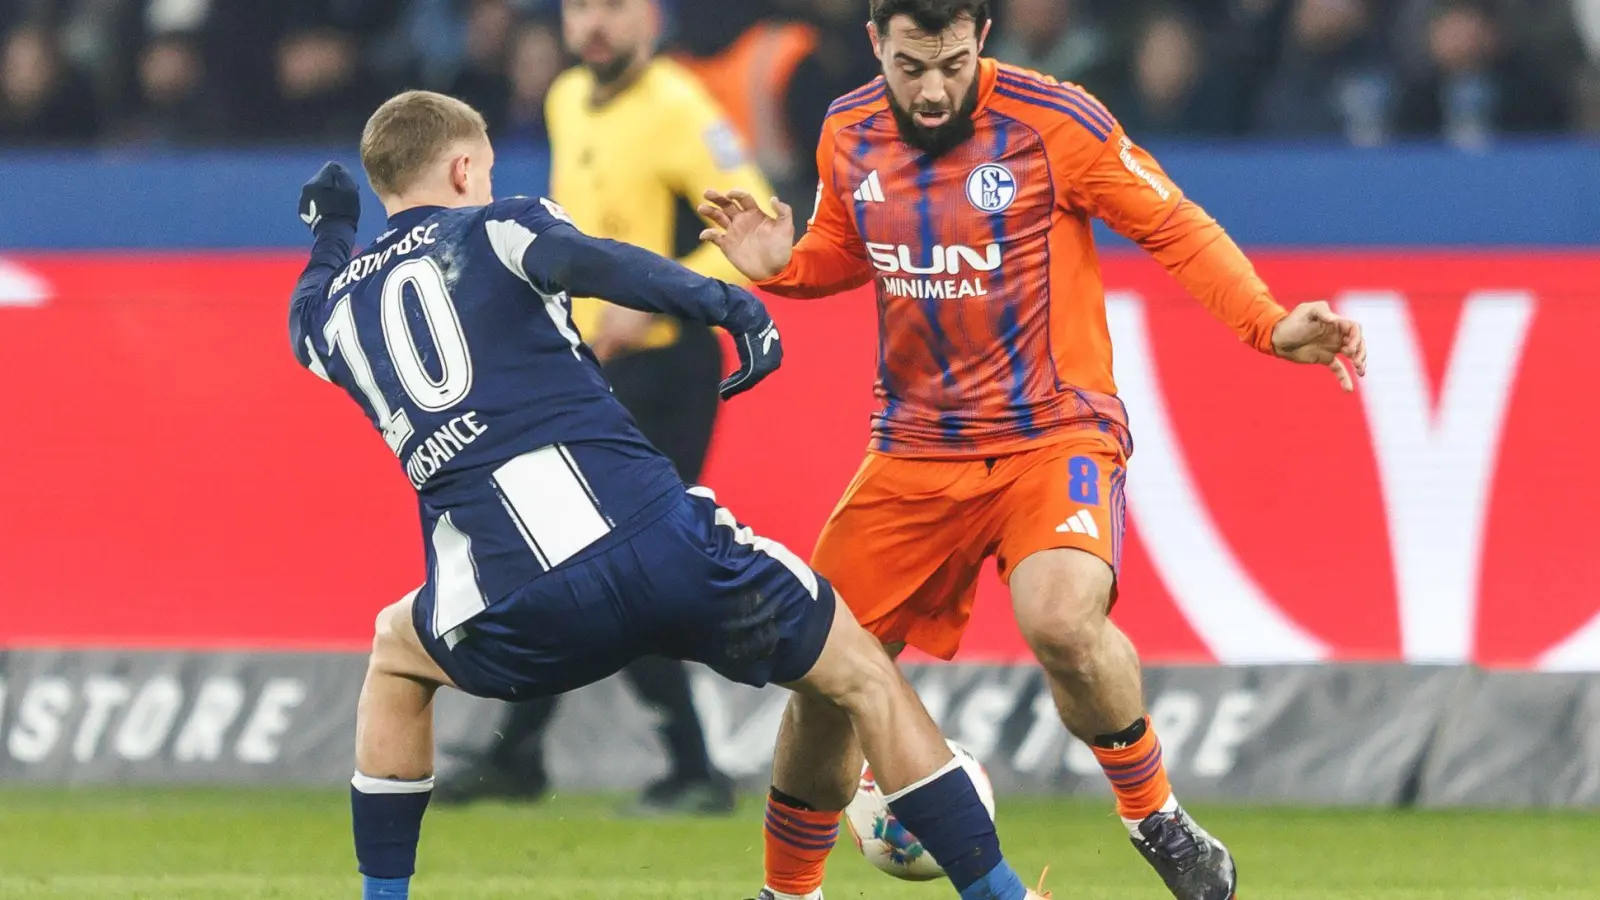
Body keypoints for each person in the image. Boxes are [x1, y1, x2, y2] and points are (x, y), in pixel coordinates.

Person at [287, 90, 1046, 900]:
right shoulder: (500, 225)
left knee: (396, 654)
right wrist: (723, 303)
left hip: (510, 608)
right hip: (657, 548)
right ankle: (997, 894)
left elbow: (303, 315)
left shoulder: (335, 312)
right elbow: (593, 262)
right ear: (465, 168)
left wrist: (332, 227)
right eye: (485, 171)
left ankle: (383, 898)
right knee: (861, 673)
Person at [698, 2, 1368, 900]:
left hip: (1053, 432)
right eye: (910, 67)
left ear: (982, 39)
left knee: (1060, 618)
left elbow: (1174, 225)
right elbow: (850, 250)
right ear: (876, 46)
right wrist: (781, 261)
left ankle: (1154, 816)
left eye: (951, 63)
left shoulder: (1059, 121)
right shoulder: (846, 129)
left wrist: (1270, 321)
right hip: (913, 448)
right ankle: (788, 892)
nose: (932, 91)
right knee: (828, 678)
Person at [437, 0, 780, 816]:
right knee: (577, 559)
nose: (595, 21)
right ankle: (529, 756)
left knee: (605, 558)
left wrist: (657, 300)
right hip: (589, 371)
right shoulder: (563, 99)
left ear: (650, 18)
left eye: (615, 6)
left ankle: (680, 762)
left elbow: (764, 233)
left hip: (669, 369)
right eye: (581, 6)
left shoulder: (679, 108)